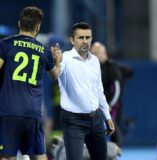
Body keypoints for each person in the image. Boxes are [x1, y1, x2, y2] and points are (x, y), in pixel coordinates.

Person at [0, 6, 62, 160]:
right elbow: (55, 75)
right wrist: (58, 61)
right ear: (38, 27)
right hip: (33, 112)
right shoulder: (44, 51)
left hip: (9, 110)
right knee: (39, 155)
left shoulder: (5, 44)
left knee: (7, 156)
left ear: (19, 23)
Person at [57, 22, 115, 160]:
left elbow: (99, 90)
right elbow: (55, 74)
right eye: (81, 37)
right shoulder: (65, 58)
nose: (85, 41)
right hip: (73, 121)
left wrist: (107, 116)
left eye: (88, 37)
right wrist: (55, 63)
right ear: (72, 40)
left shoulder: (94, 60)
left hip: (96, 119)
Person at [91, 42, 133, 147]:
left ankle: (116, 152)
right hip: (96, 105)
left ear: (104, 53)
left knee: (113, 128)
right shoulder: (92, 67)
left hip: (112, 105)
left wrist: (110, 104)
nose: (94, 55)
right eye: (92, 53)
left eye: (96, 53)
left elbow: (117, 89)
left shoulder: (111, 68)